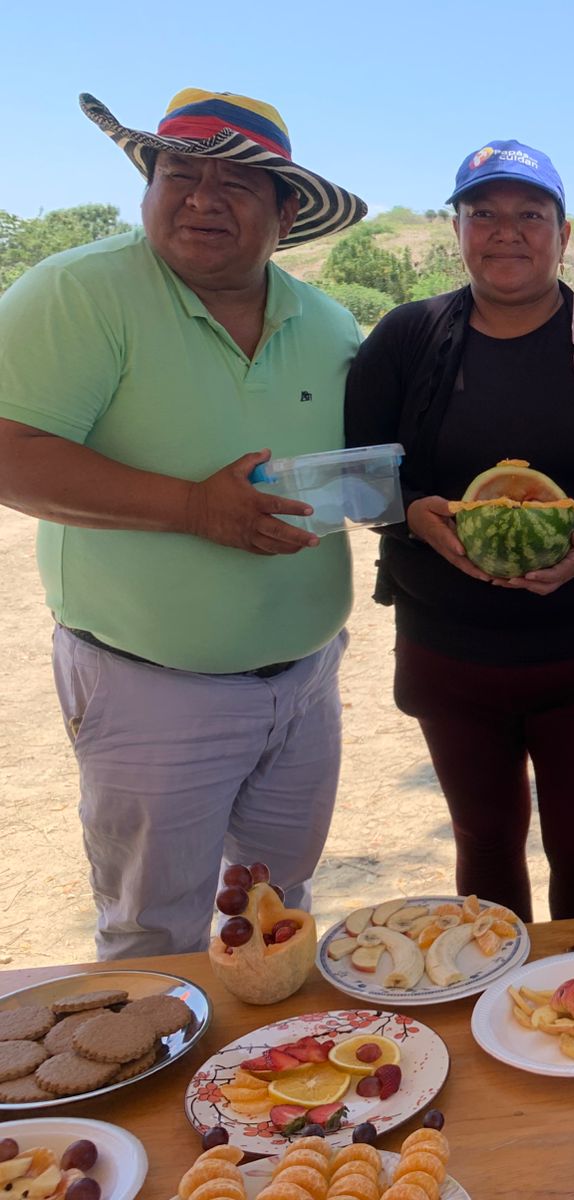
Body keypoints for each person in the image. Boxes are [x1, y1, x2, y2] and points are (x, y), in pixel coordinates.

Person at [0, 89, 367, 957]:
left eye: (236, 184)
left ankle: (273, 1050)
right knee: (154, 931)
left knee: (277, 909)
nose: (202, 199)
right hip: (149, 687)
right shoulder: (81, 291)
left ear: (286, 212)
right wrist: (195, 508)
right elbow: (11, 452)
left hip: (307, 679)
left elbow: (356, 468)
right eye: (179, 175)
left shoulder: (328, 323)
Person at [345, 140, 574, 922]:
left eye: (530, 215)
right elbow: (359, 475)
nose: (506, 231)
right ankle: (495, 988)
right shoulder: (406, 339)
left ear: (563, 234)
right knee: (484, 844)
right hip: (449, 651)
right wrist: (412, 511)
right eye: (483, 213)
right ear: (457, 230)